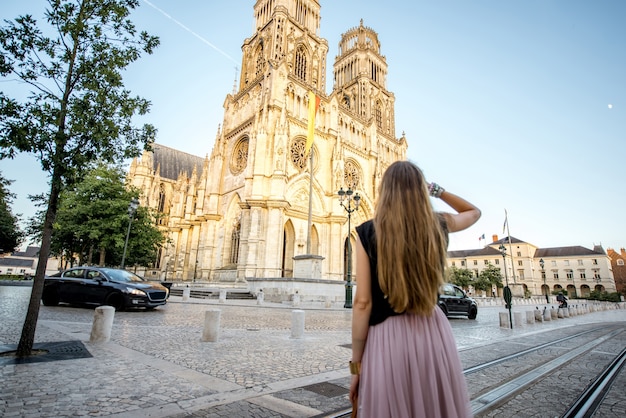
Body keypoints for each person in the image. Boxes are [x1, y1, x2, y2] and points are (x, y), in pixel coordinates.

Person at [350, 161, 481, 418]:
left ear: (384, 191)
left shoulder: (367, 231)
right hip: (432, 331)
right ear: (422, 190)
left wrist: (356, 367)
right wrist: (437, 191)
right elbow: (474, 212)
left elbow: (362, 303)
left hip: (387, 338)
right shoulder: (438, 224)